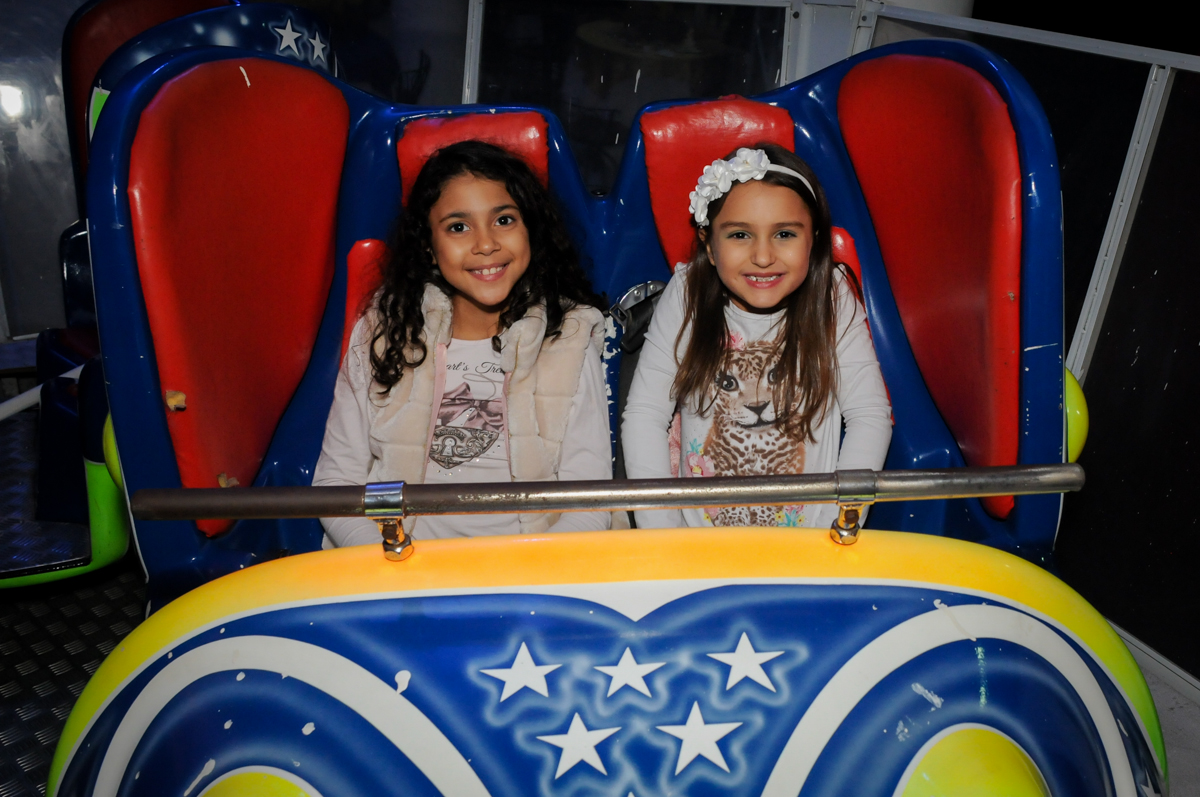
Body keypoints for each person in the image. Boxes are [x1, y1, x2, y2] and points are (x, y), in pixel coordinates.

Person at [315, 140, 613, 546]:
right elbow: (337, 483)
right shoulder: (383, 332)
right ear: (428, 245)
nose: (485, 244)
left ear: (531, 229)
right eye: (458, 227)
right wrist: (387, 560)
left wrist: (533, 569)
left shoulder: (569, 340)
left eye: (504, 220)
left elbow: (590, 504)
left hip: (529, 570)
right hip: (395, 564)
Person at [621, 143, 892, 529]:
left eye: (784, 233)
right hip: (695, 545)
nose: (763, 257)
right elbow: (645, 415)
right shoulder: (688, 291)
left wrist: (835, 528)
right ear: (709, 245)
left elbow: (869, 416)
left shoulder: (831, 295)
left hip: (810, 544)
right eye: (740, 235)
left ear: (813, 241)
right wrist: (663, 536)